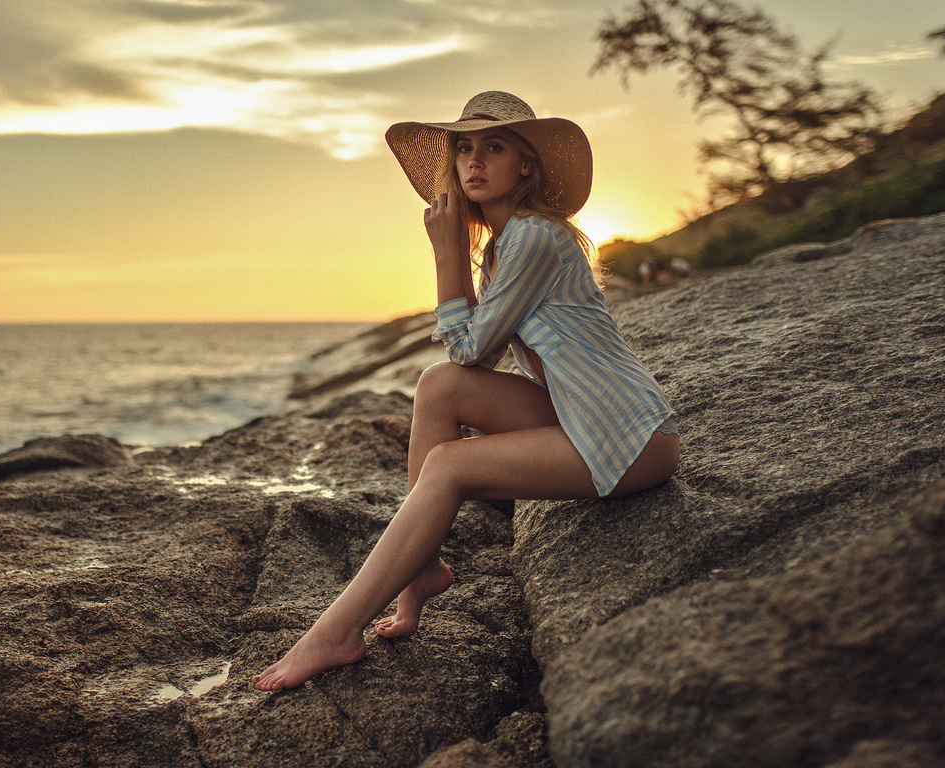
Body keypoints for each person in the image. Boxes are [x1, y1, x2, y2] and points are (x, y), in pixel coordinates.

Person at [252, 91, 679, 692]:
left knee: (449, 463)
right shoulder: (505, 247)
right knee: (440, 387)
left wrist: (447, 252)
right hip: (578, 412)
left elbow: (471, 347)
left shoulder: (534, 238)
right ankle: (419, 568)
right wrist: (463, 258)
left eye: (494, 147)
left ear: (526, 166)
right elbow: (466, 366)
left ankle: (335, 631)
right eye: (464, 148)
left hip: (627, 437)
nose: (473, 161)